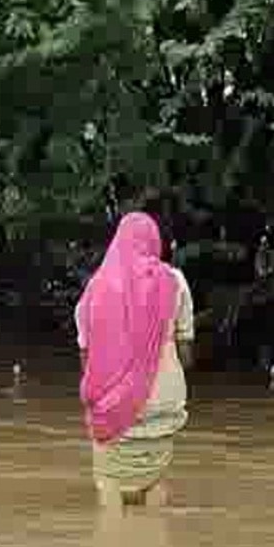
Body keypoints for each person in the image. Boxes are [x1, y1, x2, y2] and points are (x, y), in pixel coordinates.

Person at [75, 211, 195, 510]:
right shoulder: (175, 282)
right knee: (154, 482)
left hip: (113, 404)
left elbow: (86, 356)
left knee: (111, 484)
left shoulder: (96, 288)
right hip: (165, 400)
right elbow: (187, 353)